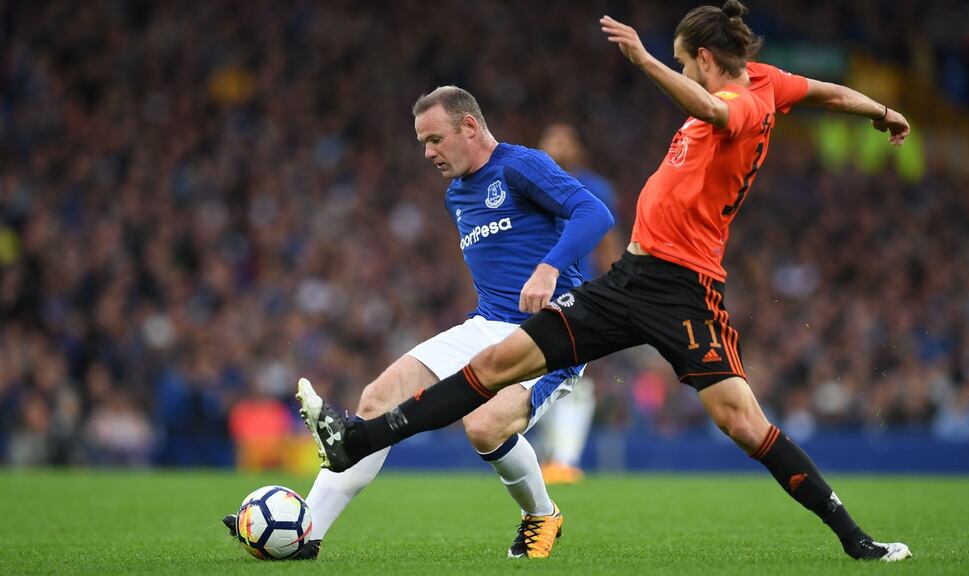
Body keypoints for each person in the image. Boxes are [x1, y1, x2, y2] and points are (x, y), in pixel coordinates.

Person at [302, 1, 913, 562]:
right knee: (493, 366)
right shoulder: (771, 81)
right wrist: (881, 112)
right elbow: (826, 92)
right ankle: (360, 440)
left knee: (741, 423)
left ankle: (854, 538)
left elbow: (712, 110)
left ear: (703, 58)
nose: (683, 72)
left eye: (683, 62)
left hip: (685, 289)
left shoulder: (745, 102)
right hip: (629, 278)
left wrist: (644, 60)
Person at [224, 86, 613, 560]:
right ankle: (306, 536)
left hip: (552, 329)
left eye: (434, 139)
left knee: (484, 426)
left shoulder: (520, 165)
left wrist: (549, 268)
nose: (428, 153)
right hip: (487, 325)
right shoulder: (457, 195)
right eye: (422, 143)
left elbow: (595, 213)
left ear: (469, 127)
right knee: (376, 400)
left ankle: (542, 514)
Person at [535, 123, 622, 484]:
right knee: (537, 374)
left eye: (565, 139)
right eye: (551, 139)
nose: (558, 146)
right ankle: (550, 456)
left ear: (578, 149)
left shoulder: (595, 188)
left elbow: (608, 243)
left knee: (574, 375)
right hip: (532, 293)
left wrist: (617, 290)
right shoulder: (528, 183)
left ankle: (565, 460)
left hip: (578, 293)